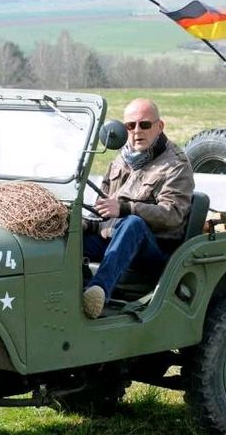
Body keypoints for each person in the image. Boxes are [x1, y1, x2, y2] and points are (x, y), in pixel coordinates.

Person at [82, 98, 195, 318]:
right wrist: (85, 222)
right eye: (130, 126)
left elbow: (172, 216)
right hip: (113, 237)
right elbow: (103, 205)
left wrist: (126, 209)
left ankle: (98, 292)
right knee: (71, 234)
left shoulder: (176, 165)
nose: (136, 131)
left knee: (133, 223)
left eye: (144, 125)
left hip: (154, 248)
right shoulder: (121, 159)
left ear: (159, 126)